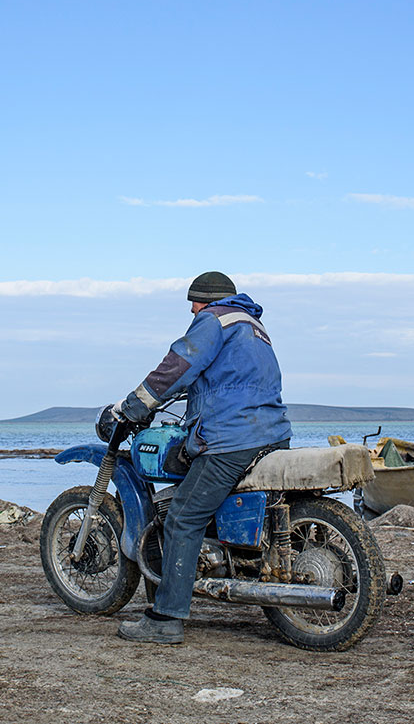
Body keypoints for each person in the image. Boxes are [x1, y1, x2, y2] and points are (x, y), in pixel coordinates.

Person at [112, 271, 292, 645]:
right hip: (271, 434)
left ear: (208, 300)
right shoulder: (254, 327)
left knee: (183, 517)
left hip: (230, 439)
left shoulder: (213, 321)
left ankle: (166, 619)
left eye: (195, 301)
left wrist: (133, 406)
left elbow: (175, 369)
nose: (192, 309)